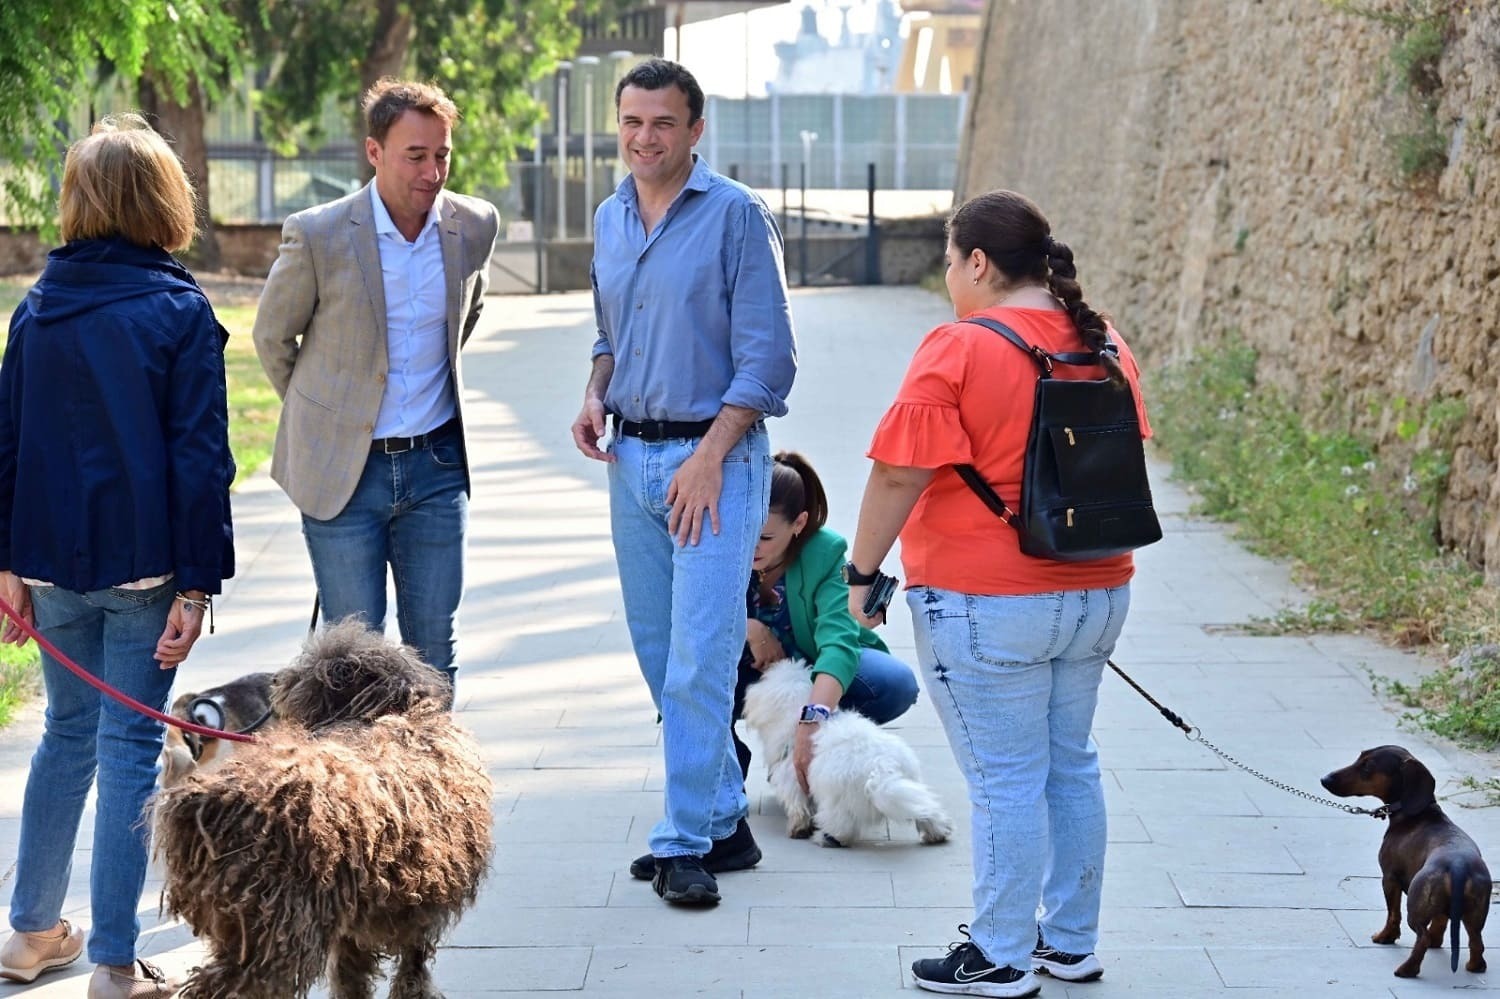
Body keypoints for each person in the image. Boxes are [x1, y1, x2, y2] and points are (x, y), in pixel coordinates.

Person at [844, 190, 1151, 998]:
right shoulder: (1105, 341)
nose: (949, 278)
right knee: (1070, 766)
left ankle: (1001, 953)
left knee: (1005, 781)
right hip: (1097, 592)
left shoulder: (960, 346)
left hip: (986, 602)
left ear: (978, 262)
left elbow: (899, 471)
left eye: (950, 262)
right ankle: (1071, 941)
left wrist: (861, 572)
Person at [0, 114, 235, 998]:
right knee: (130, 744)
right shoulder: (178, 310)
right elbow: (200, 460)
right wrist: (199, 583)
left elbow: (7, 442)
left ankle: (29, 932)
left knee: (66, 734)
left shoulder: (37, 307)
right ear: (163, 201)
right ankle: (113, 962)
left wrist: (6, 563)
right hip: (144, 569)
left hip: (51, 564)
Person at [571, 58, 797, 907]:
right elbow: (610, 332)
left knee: (700, 658)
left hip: (718, 462)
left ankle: (679, 843)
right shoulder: (610, 216)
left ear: (695, 130)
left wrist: (710, 453)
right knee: (659, 651)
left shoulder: (737, 216)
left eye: (662, 123)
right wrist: (595, 392)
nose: (644, 137)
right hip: (630, 458)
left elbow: (771, 357)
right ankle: (726, 822)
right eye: (631, 121)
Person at [252, 78, 498, 686]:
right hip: (345, 476)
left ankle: (435, 781)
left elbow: (467, 314)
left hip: (436, 469)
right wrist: (330, 418)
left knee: (432, 653)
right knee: (352, 660)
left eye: (442, 154)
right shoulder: (318, 233)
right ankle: (361, 782)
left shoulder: (474, 225)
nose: (433, 170)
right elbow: (271, 337)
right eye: (416, 155)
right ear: (374, 152)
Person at [628, 450, 919, 879]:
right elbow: (684, 627)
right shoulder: (716, 535)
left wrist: (811, 721)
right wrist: (749, 626)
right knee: (694, 684)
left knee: (892, 682)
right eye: (746, 535)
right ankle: (720, 781)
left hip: (808, 665)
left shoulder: (825, 552)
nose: (751, 550)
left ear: (798, 525)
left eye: (764, 539)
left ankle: (823, 764)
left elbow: (839, 643)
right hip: (738, 670)